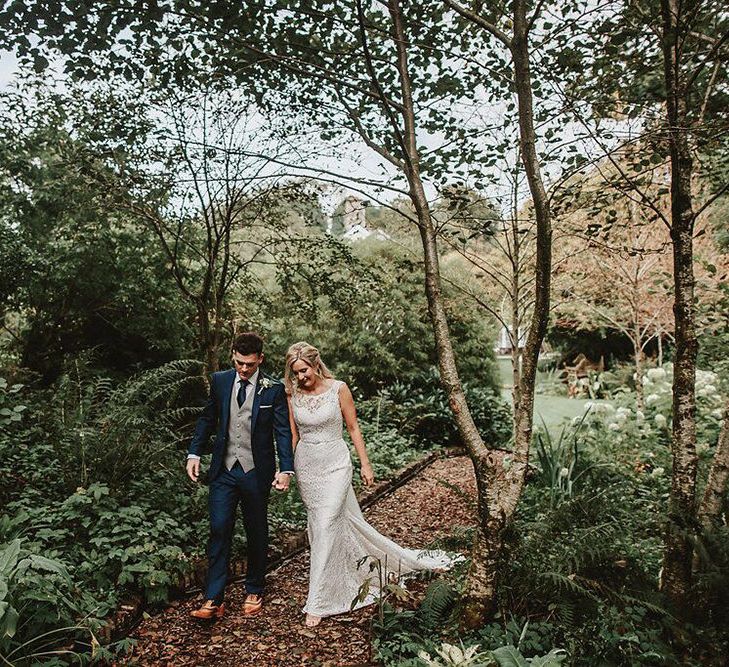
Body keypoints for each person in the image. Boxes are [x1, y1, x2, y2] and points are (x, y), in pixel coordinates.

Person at [285, 341, 458, 628]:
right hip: (308, 466)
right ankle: (345, 572)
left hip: (336, 462)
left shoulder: (338, 388)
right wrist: (286, 469)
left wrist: (365, 463)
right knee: (322, 525)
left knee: (327, 522)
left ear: (316, 364)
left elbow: (353, 427)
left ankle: (318, 600)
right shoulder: (292, 396)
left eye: (304, 371)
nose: (301, 377)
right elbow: (292, 436)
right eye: (295, 373)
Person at [186, 332, 294, 620]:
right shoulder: (220, 381)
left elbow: (282, 431)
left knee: (255, 530)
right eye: (238, 362)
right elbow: (208, 418)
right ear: (232, 355)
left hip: (256, 472)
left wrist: (286, 469)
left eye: (249, 364)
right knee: (219, 528)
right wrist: (194, 453)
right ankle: (213, 599)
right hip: (223, 471)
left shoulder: (273, 388)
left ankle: (255, 587)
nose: (243, 369)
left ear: (260, 358)